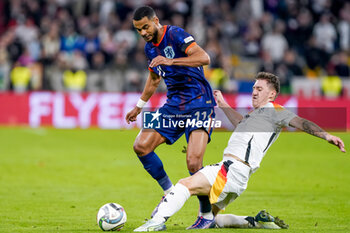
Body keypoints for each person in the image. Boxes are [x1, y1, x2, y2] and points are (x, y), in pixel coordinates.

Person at [133, 72, 346, 232]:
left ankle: (156, 222)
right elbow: (240, 123)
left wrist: (326, 135)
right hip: (238, 178)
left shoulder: (275, 111)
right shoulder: (257, 116)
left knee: (184, 185)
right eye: (254, 87)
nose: (254, 91)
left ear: (272, 94)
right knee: (212, 219)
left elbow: (301, 122)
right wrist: (224, 104)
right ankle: (256, 221)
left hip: (231, 170)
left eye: (260, 89)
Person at [125, 6, 216, 229]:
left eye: (145, 27)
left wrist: (171, 61)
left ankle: (206, 214)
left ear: (156, 21)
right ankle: (169, 193)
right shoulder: (149, 48)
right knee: (141, 146)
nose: (143, 32)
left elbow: (204, 57)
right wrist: (139, 105)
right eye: (138, 30)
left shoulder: (175, 34)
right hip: (174, 105)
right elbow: (154, 79)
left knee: (194, 162)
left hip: (199, 103)